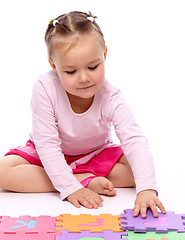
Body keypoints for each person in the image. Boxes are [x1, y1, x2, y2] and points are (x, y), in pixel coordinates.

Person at [0, 11, 165, 218]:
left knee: (137, 173)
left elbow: (134, 139)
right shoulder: (44, 88)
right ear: (54, 65)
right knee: (3, 172)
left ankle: (76, 176)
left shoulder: (111, 97)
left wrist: (146, 189)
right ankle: (82, 179)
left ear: (104, 55)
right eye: (71, 71)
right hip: (47, 155)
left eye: (93, 66)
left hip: (95, 153)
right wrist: (71, 188)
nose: (84, 78)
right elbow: (47, 144)